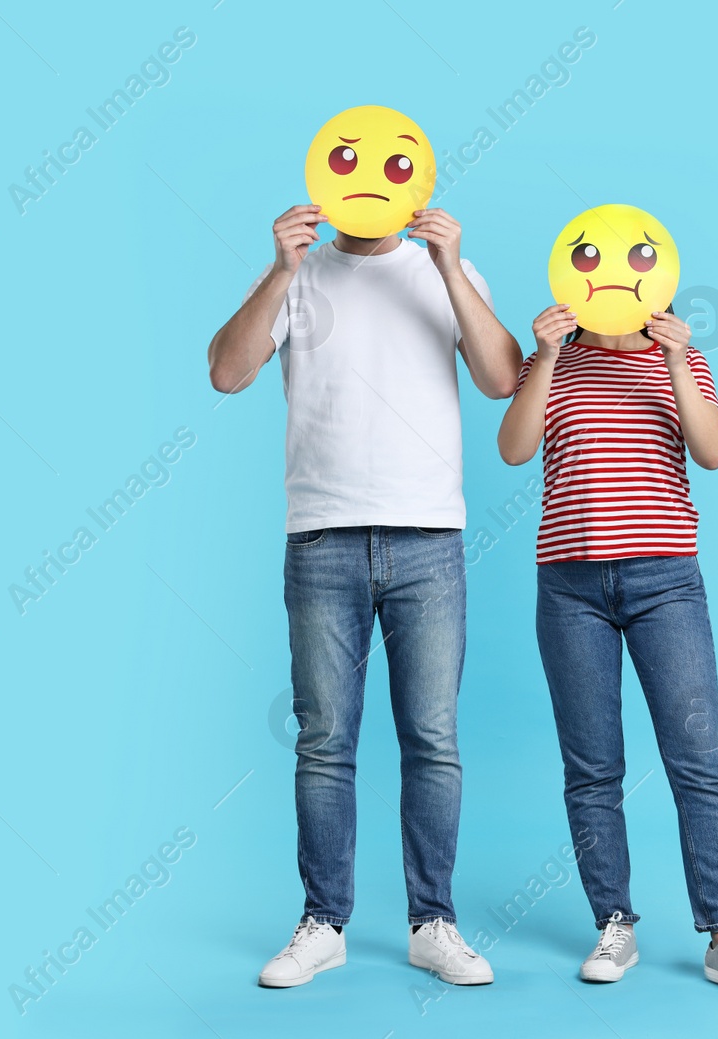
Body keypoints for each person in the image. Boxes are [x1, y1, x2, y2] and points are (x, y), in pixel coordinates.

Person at [209, 197, 521, 988]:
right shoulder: (299, 273)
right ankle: (324, 921)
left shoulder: (446, 271)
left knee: (433, 738)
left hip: (428, 538)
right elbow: (226, 371)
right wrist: (280, 268)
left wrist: (452, 266)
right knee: (324, 741)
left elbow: (501, 379)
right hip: (321, 536)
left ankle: (433, 921)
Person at [496, 301, 718, 1000]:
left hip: (666, 580)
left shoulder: (679, 357)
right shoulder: (552, 359)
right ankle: (614, 921)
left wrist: (680, 358)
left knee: (697, 759)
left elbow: (712, 452)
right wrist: (548, 355)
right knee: (591, 765)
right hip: (569, 585)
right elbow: (513, 448)